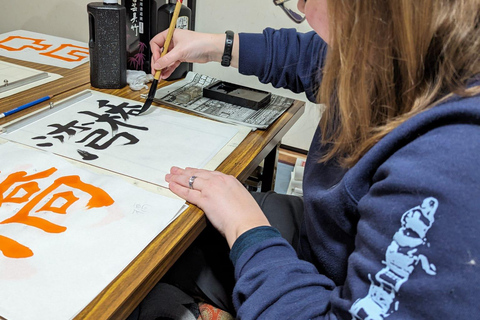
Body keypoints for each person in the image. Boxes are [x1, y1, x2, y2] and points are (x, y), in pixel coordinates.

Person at [130, 0, 480, 319]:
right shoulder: (405, 50)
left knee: (147, 293)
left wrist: (246, 228)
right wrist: (216, 46)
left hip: (335, 285)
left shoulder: (452, 163)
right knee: (158, 234)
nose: (299, 5)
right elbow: (320, 57)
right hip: (325, 235)